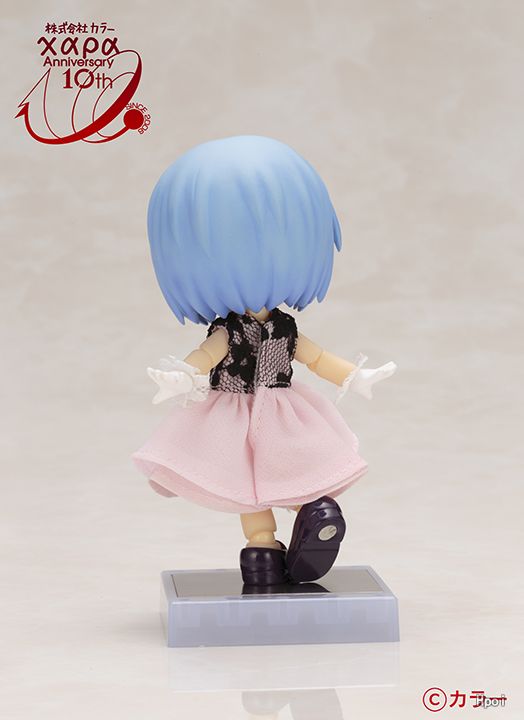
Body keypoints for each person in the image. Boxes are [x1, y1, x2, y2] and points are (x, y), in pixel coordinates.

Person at [132, 136, 396, 586]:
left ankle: (309, 520)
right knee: (245, 484)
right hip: (233, 410)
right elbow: (207, 355)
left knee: (295, 465)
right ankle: (262, 549)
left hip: (280, 408)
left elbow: (316, 357)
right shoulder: (228, 330)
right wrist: (184, 374)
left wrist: (354, 375)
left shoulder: (285, 328)